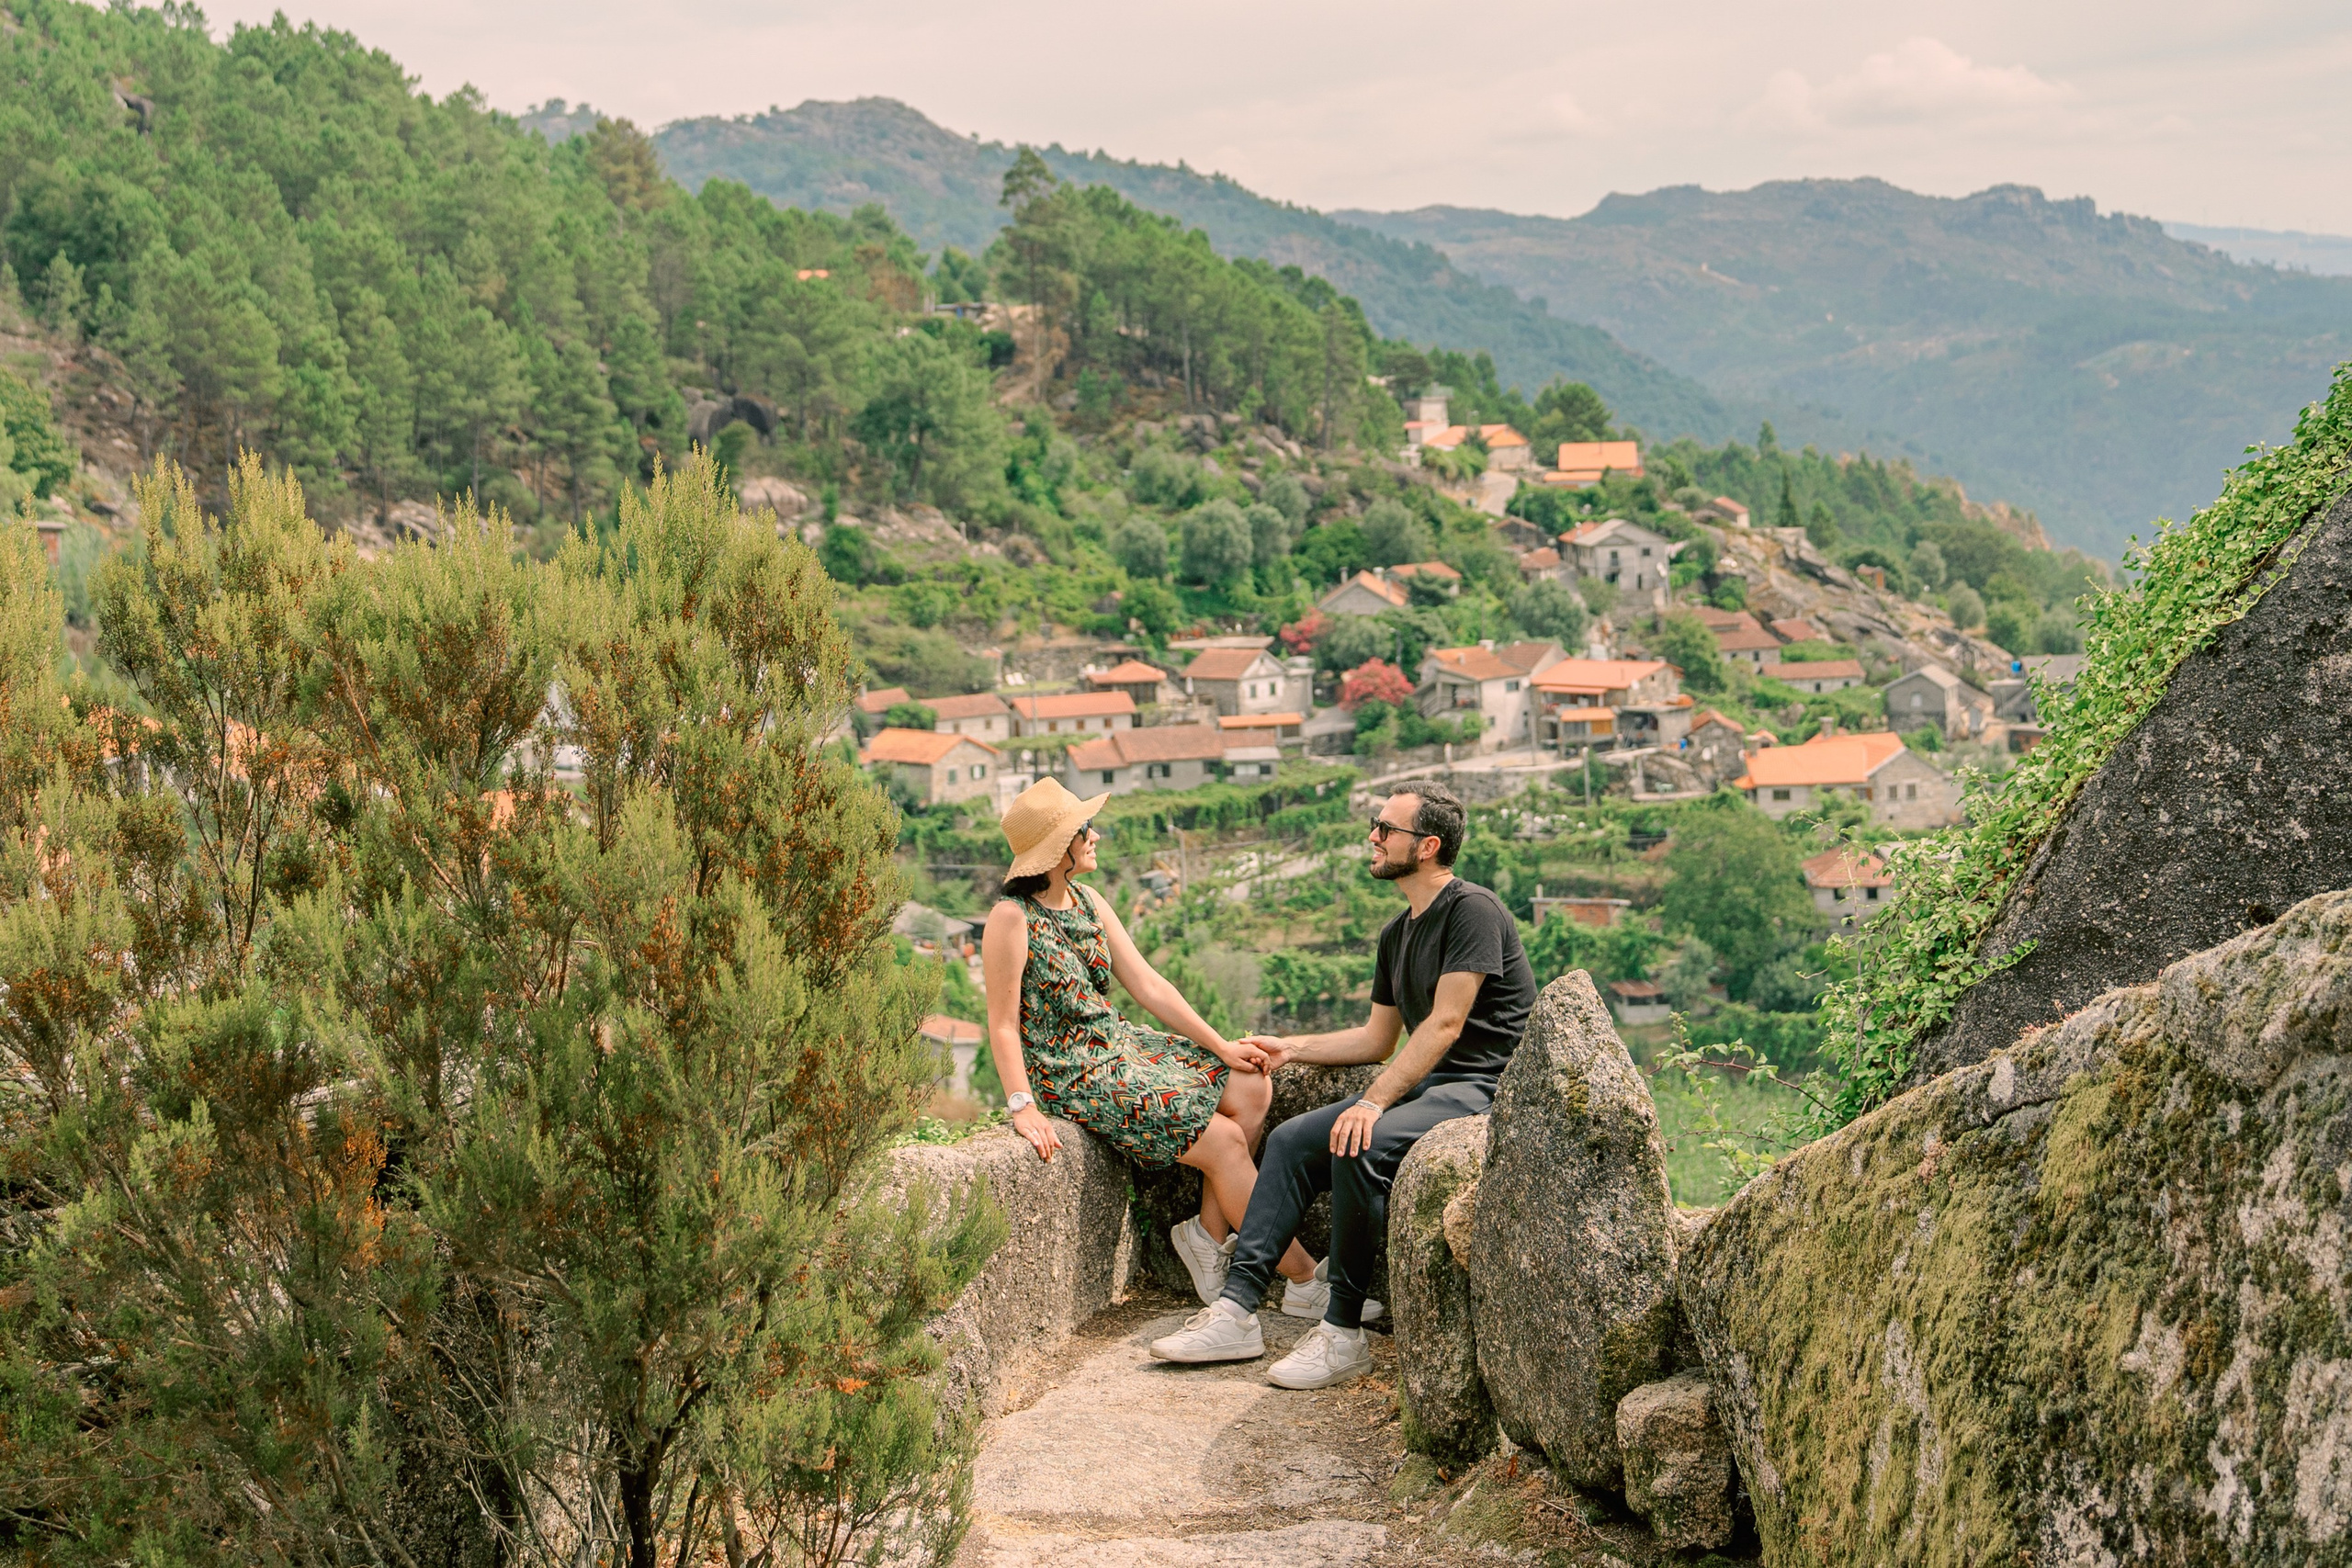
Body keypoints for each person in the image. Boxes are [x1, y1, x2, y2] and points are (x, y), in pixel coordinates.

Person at [1148, 781, 1534, 1390]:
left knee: (1359, 1141)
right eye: (1375, 825)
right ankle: (1236, 1310)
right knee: (1291, 1140)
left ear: (1428, 846)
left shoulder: (1473, 910)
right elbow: (1379, 1038)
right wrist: (1293, 1047)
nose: (1373, 836)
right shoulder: (1397, 932)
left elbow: (1446, 1023)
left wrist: (1374, 1101)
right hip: (1433, 1088)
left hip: (1486, 1089)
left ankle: (1342, 1333)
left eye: (1387, 829)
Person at [981, 777, 1319, 1304]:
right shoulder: (1011, 918)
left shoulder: (1088, 901)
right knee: (1225, 1142)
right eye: (1085, 829)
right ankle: (1304, 1280)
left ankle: (1206, 1239)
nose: (1095, 836)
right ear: (1058, 848)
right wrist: (1022, 1105)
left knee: (1252, 1084)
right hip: (1073, 1073)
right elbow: (1002, 1023)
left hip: (1119, 1046)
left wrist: (1222, 1046)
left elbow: (1148, 985)